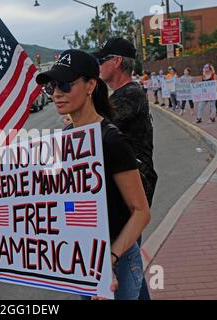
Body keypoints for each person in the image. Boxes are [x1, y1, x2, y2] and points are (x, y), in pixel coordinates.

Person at [36, 49, 151, 300]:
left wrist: (109, 259)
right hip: (84, 256)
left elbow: (141, 212)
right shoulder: (66, 139)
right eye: (52, 87)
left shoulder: (111, 140)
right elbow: (49, 193)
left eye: (65, 85)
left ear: (90, 85)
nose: (56, 93)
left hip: (116, 257)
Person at [95, 37, 158, 300]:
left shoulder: (130, 94)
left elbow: (97, 128)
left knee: (125, 258)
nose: (98, 66)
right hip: (124, 187)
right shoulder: (123, 95)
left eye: (102, 60)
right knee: (128, 261)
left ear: (117, 61)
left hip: (131, 190)